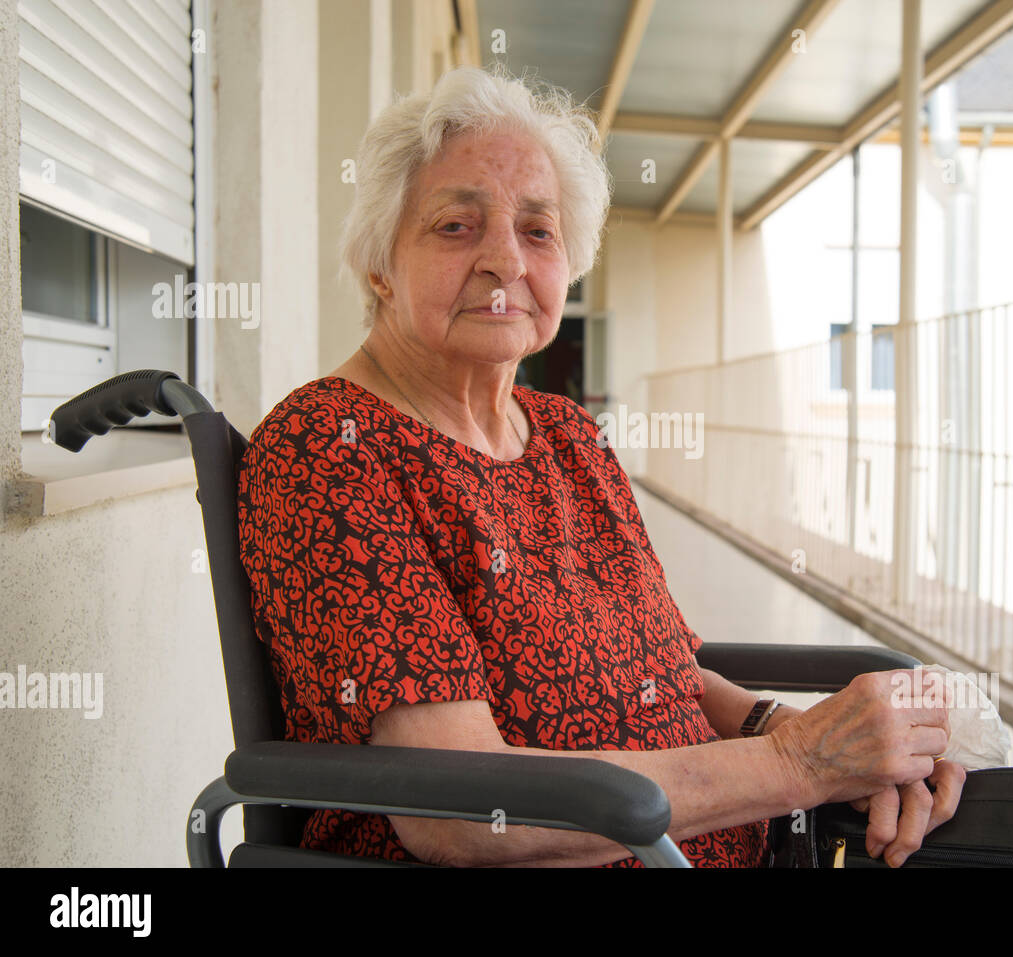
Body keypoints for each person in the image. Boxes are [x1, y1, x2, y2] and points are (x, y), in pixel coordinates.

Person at [236, 64, 965, 868]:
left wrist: (778, 725)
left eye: (538, 231)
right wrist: (801, 765)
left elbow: (670, 670)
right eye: (455, 226)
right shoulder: (331, 448)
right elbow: (461, 810)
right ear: (379, 263)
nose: (506, 261)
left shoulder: (567, 434)